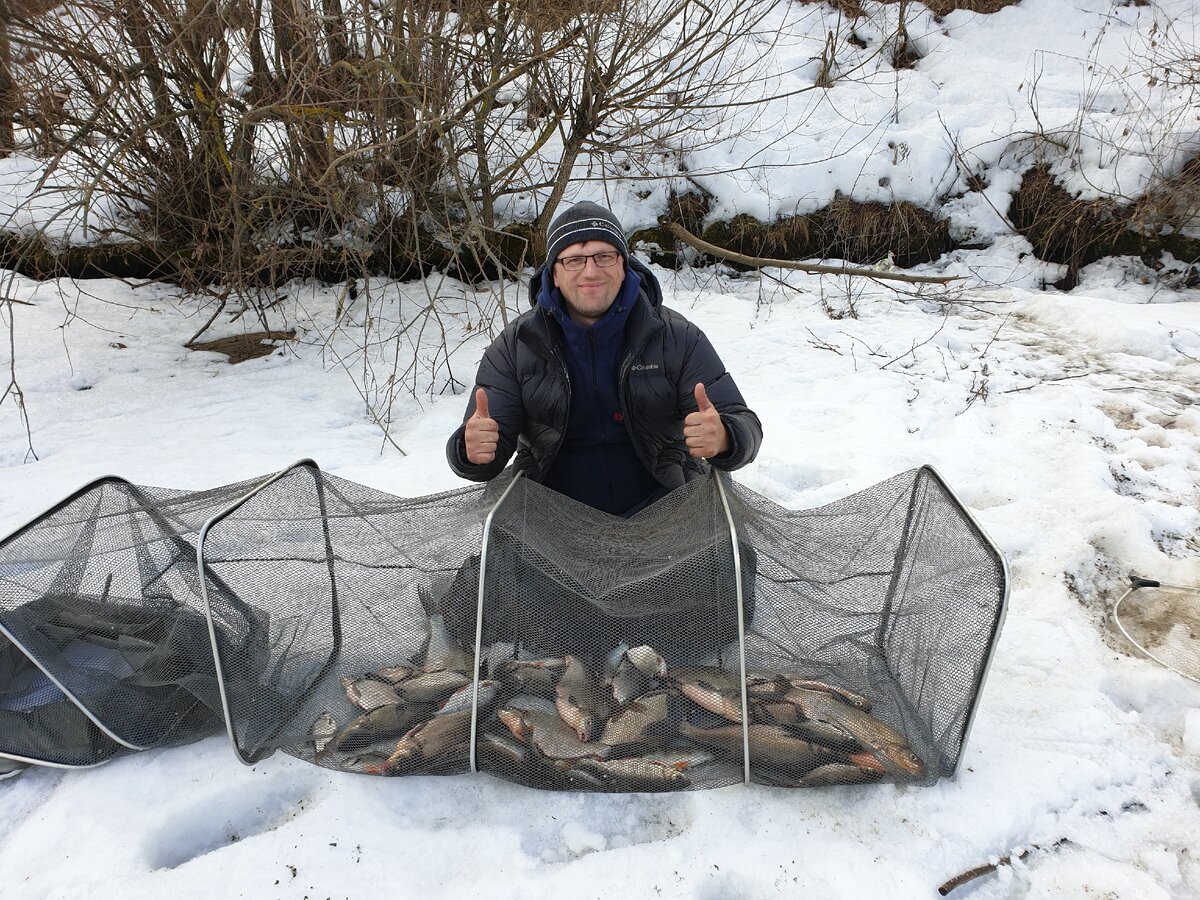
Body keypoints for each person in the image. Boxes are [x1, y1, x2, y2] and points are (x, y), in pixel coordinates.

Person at [446, 200, 762, 515]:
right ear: (554, 273)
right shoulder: (515, 346)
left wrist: (725, 437)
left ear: (623, 266)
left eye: (604, 256)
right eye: (574, 260)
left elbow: (744, 423)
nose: (591, 271)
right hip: (547, 514)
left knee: (725, 540)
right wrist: (469, 450)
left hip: (668, 507)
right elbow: (483, 449)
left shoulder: (678, 337)